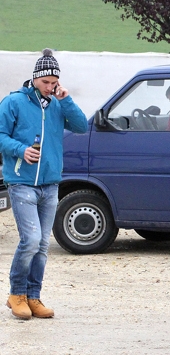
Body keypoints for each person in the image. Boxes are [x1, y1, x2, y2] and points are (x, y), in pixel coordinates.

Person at [0, 49, 87, 319]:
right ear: (35, 78)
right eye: (46, 82)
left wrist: (67, 99)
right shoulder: (13, 102)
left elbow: (82, 126)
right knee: (31, 239)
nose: (50, 87)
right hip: (22, 182)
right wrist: (20, 150)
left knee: (42, 245)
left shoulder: (59, 103)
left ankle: (34, 296)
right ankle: (17, 294)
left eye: (54, 82)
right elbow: (1, 135)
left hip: (50, 184)